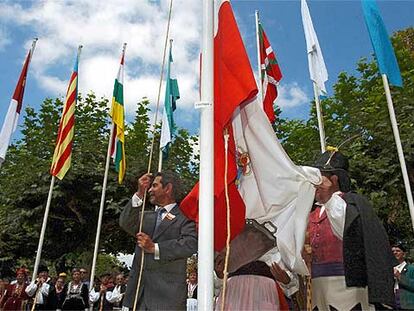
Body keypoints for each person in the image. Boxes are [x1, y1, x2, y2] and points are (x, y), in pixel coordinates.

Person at [307, 150, 395, 310]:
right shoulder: (310, 212)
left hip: (348, 286)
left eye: (318, 177)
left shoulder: (353, 203)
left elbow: (348, 231)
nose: (313, 184)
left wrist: (328, 199)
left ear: (334, 179)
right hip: (317, 288)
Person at [119, 171, 198, 310]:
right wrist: (139, 193)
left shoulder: (185, 217)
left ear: (168, 188)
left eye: (154, 186)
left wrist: (155, 248)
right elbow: (125, 222)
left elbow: (190, 244)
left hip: (167, 299)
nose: (150, 189)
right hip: (138, 297)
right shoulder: (147, 217)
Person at [392, 243, 414, 309]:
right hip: (392, 303)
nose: (394, 253)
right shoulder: (388, 269)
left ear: (404, 254)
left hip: (407, 305)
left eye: (398, 251)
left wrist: (399, 276)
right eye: (392, 251)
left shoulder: (411, 269)